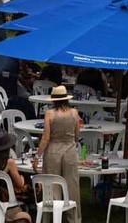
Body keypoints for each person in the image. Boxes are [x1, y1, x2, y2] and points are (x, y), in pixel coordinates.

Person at [38, 85, 82, 223]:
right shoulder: (74, 113)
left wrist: (38, 155)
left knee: (52, 186)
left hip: (53, 151)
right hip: (70, 150)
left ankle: (51, 217)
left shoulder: (50, 114)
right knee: (72, 186)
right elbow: (77, 135)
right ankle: (73, 218)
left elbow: (46, 137)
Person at [0, 130, 31, 223]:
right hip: (9, 196)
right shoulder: (9, 163)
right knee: (35, 188)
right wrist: (21, 177)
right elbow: (20, 184)